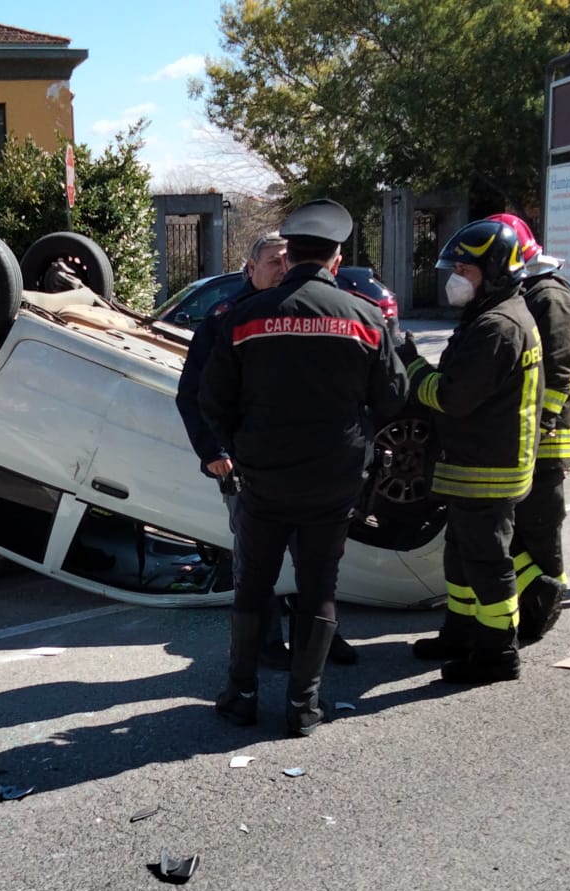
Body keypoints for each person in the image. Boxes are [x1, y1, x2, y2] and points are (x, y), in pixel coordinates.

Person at [200, 199, 407, 736]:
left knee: (254, 585)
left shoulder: (243, 318)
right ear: (336, 261)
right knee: (319, 587)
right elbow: (391, 399)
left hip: (263, 479)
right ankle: (303, 706)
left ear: (289, 256)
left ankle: (241, 695)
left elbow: (213, 399)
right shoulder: (365, 319)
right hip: (334, 482)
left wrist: (245, 444)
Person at [176, 235, 362, 671]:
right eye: (273, 262)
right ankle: (262, 641)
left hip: (310, 463)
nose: (282, 269)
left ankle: (316, 634)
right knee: (257, 562)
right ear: (250, 268)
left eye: (287, 261)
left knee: (313, 559)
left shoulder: (307, 312)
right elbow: (195, 394)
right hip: (250, 465)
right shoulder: (226, 319)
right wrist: (215, 450)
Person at [405, 219, 542, 684]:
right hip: (474, 464)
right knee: (460, 557)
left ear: (496, 270)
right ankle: (460, 632)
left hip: (489, 469)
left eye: (466, 267)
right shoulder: (491, 314)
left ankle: (497, 653)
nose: (456, 276)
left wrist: (413, 371)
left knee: (487, 563)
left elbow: (453, 397)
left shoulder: (499, 326)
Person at [487, 213, 570, 642]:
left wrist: (542, 423)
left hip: (544, 437)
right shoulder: (527, 292)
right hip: (524, 432)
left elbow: (560, 371)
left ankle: (548, 600)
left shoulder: (551, 298)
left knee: (541, 525)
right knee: (520, 526)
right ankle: (533, 599)